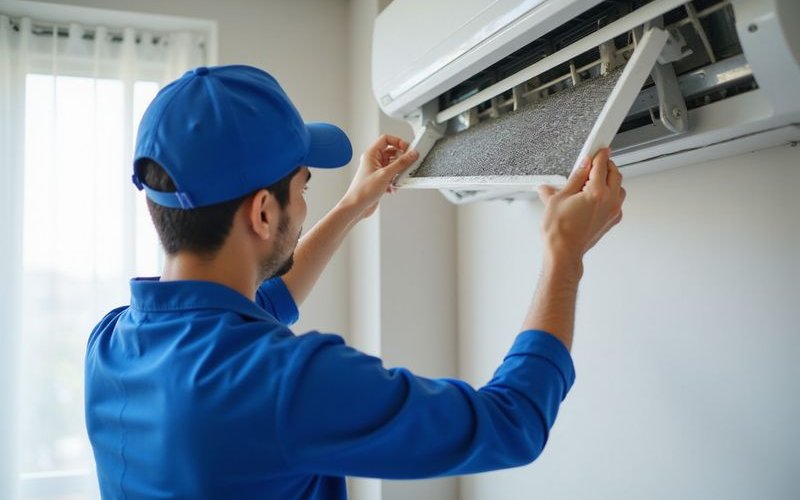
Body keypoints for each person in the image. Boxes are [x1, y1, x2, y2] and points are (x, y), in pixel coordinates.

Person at [85, 64, 625, 500]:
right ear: (263, 213)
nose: (305, 203)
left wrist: (352, 206)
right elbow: (510, 426)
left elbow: (257, 306)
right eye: (304, 186)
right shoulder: (287, 383)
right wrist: (564, 255)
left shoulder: (110, 344)